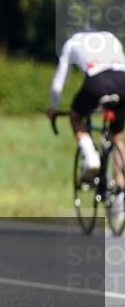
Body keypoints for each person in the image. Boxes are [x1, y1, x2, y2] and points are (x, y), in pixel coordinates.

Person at [47, 31, 125, 198]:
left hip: (96, 81)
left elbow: (58, 83)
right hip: (122, 80)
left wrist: (53, 107)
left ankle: (91, 157)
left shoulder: (72, 42)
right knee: (116, 136)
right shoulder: (110, 37)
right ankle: (121, 191)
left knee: (75, 116)